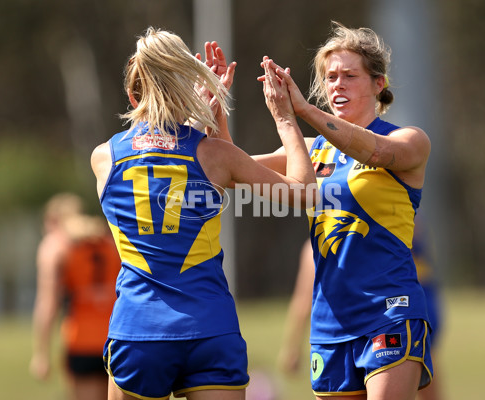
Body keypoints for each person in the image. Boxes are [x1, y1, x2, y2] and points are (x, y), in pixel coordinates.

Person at [89, 27, 316, 400]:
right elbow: (305, 192)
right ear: (185, 89)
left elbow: (164, 160)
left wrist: (197, 117)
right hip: (210, 328)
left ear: (132, 96)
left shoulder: (104, 157)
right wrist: (286, 118)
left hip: (139, 330)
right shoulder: (214, 156)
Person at [255, 22, 433, 399]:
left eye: (350, 75)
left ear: (378, 84)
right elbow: (235, 169)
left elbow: (373, 151)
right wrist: (214, 111)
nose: (337, 84)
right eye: (330, 76)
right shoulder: (310, 150)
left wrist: (301, 110)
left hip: (389, 310)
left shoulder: (407, 140)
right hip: (330, 322)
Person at [278, 216, 445, 399]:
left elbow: (302, 302)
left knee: (417, 365)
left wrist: (291, 349)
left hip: (397, 312)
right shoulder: (314, 249)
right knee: (422, 365)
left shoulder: (388, 219)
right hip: (367, 321)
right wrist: (292, 348)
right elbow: (303, 301)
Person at [30, 193, 122, 400]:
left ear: (52, 220)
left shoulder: (56, 246)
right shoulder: (110, 241)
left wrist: (41, 353)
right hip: (119, 337)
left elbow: (48, 303)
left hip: (81, 341)